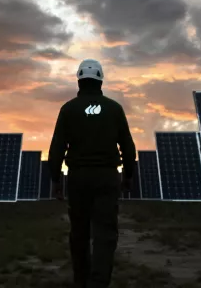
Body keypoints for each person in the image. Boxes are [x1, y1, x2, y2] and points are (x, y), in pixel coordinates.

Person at [48, 59, 137, 288]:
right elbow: (127, 145)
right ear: (100, 80)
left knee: (79, 233)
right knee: (105, 235)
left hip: (78, 179)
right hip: (107, 178)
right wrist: (128, 175)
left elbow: (57, 146)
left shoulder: (68, 109)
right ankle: (99, 283)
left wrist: (55, 179)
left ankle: (81, 281)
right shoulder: (114, 109)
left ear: (79, 79)